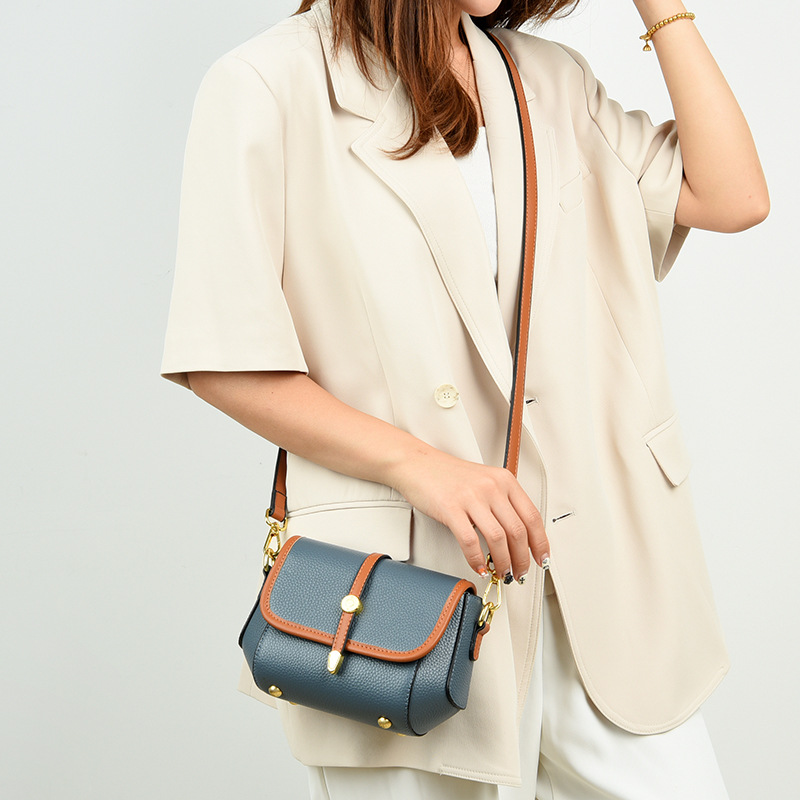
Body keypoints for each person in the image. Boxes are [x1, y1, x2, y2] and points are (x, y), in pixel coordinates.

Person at [159, 0, 769, 796]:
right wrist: (421, 466)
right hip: (410, 603)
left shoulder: (547, 79)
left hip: (601, 590)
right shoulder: (266, 85)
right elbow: (227, 361)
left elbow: (732, 196)